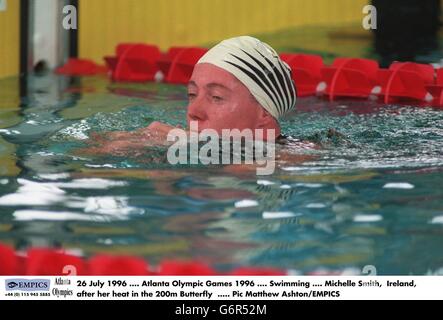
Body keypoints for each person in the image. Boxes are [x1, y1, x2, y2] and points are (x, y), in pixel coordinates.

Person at [81, 36, 317, 162]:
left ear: (264, 114)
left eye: (216, 97)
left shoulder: (302, 155)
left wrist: (188, 147)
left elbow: (262, 165)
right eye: (192, 94)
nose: (194, 111)